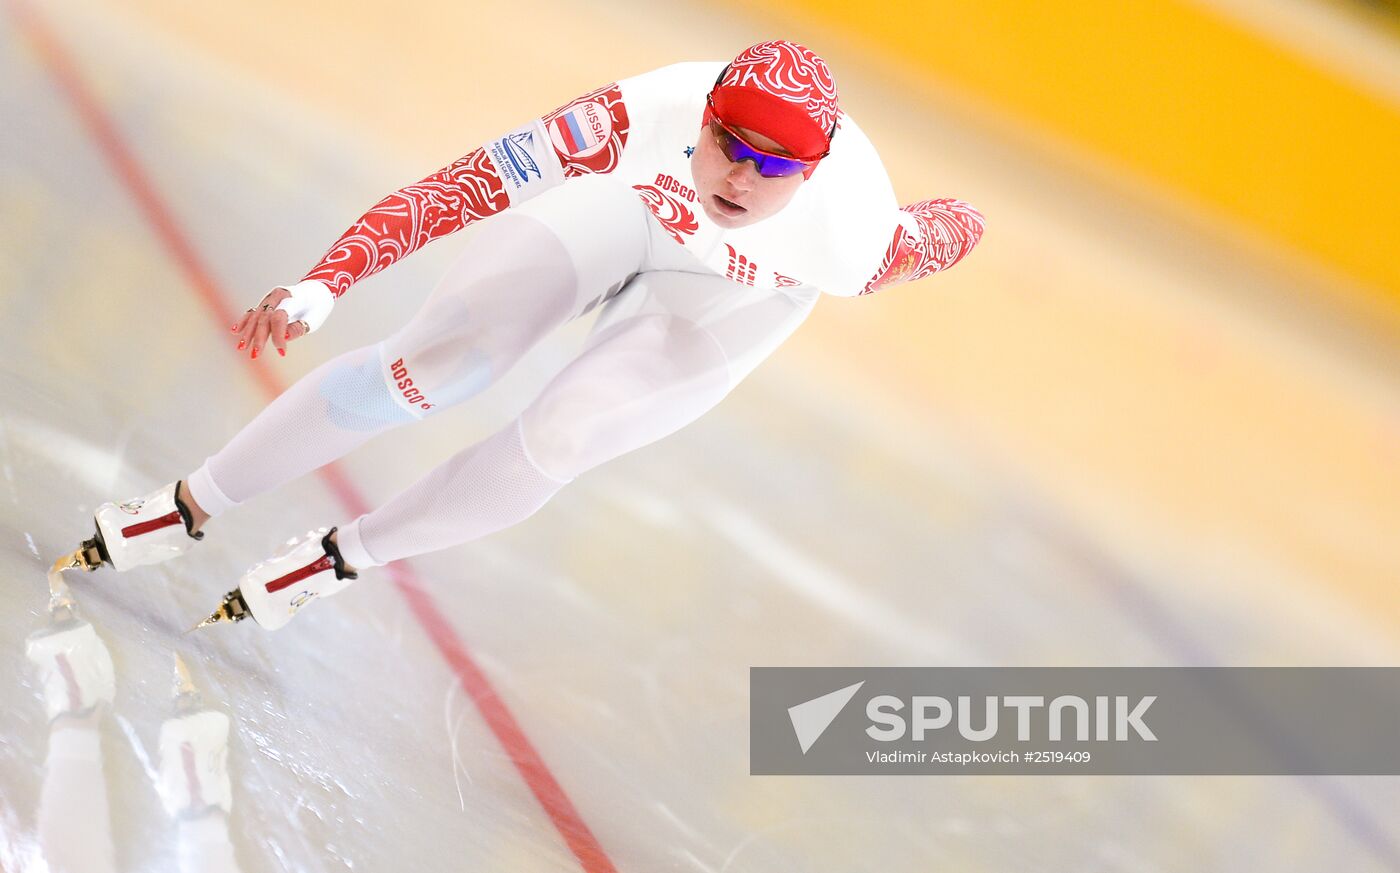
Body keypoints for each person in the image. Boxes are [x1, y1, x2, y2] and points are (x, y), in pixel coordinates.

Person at [64, 40, 985, 631]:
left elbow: (958, 226)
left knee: (563, 434)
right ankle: (189, 501)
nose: (743, 177)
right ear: (699, 117)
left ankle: (342, 556)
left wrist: (951, 217)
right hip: (627, 209)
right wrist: (329, 278)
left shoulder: (852, 238)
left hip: (736, 297)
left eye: (775, 165)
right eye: (730, 143)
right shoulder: (635, 114)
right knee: (433, 364)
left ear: (814, 174)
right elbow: (465, 186)